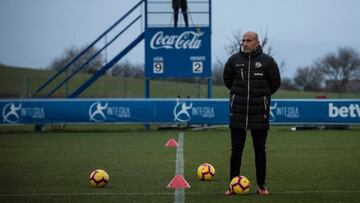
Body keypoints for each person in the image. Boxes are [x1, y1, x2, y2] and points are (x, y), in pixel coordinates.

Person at [223, 31, 281, 196]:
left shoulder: (268, 62)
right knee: (236, 150)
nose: (245, 43)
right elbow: (227, 81)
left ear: (257, 42)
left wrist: (262, 95)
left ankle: (261, 186)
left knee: (260, 150)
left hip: (259, 113)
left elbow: (275, 83)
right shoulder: (233, 60)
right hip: (238, 113)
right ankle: (232, 185)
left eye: (249, 40)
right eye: (243, 40)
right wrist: (238, 95)